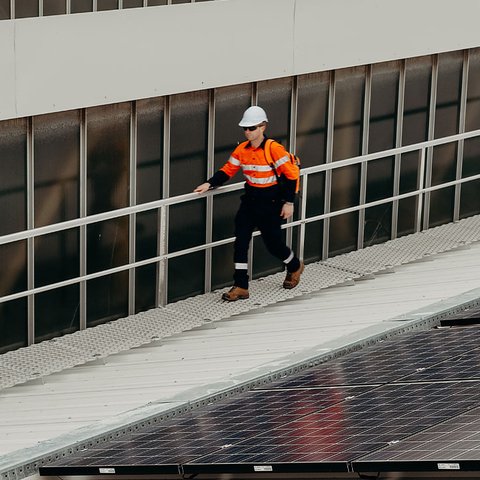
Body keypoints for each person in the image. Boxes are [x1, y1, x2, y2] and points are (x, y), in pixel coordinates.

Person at [194, 106, 304, 302]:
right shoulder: (242, 149)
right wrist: (209, 183)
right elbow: (228, 169)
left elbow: (291, 175)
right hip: (250, 201)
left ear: (262, 127)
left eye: (251, 128)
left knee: (273, 244)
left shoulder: (273, 149)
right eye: (245, 128)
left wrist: (289, 202)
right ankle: (241, 286)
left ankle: (294, 265)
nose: (247, 132)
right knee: (241, 242)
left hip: (271, 202)